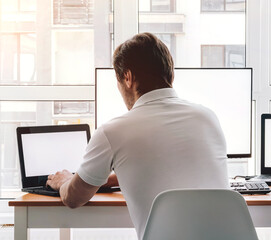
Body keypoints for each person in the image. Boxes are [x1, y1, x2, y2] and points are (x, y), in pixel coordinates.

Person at [46, 32, 229, 239]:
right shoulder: (207, 117)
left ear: (128, 77)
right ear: (171, 74)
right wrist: (103, 179)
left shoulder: (113, 131)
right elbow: (163, 166)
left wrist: (64, 181)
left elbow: (74, 198)